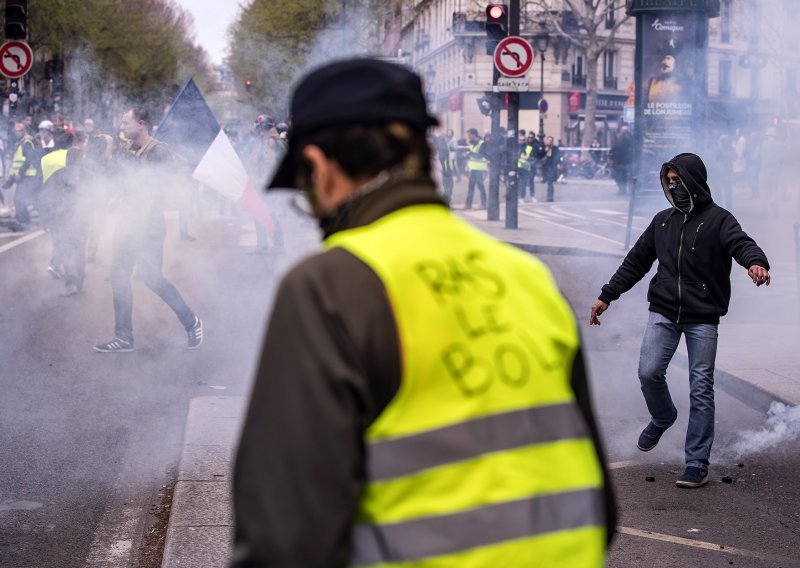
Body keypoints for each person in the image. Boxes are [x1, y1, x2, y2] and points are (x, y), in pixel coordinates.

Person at [232, 57, 616, 567]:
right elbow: (600, 507)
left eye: (304, 192)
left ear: (320, 167)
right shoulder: (528, 277)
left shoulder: (329, 287)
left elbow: (284, 541)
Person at [589, 152, 770, 488]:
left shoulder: (719, 220)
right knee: (648, 372)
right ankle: (663, 416)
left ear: (695, 182)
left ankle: (696, 463)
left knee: (701, 388)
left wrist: (755, 263)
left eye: (679, 181)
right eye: (669, 182)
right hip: (663, 311)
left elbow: (741, 244)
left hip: (703, 317)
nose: (674, 187)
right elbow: (635, 262)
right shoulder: (662, 222)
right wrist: (607, 295)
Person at [93, 106, 203, 353]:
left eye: (125, 123)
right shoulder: (128, 148)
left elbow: (162, 186)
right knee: (119, 278)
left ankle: (191, 321)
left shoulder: (158, 152)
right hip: (127, 224)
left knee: (152, 278)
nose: (121, 127)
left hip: (149, 226)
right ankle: (123, 338)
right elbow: (121, 179)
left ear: (141, 124)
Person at [4, 121, 39, 232]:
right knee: (20, 199)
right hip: (24, 176)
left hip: (27, 176)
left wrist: (20, 173)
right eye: (15, 131)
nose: (16, 133)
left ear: (24, 131)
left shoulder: (27, 142)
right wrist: (11, 179)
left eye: (18, 131)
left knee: (19, 199)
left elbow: (28, 159)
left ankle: (22, 223)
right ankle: (24, 222)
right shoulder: (21, 142)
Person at [464, 127, 488, 209]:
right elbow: (473, 156)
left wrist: (470, 153)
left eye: (470, 135)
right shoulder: (473, 143)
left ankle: (484, 204)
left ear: (474, 135)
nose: (468, 137)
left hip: (479, 169)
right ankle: (468, 204)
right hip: (473, 169)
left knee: (480, 186)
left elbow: (481, 155)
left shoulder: (482, 143)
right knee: (471, 186)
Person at [609, 125, 633, 195]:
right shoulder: (626, 138)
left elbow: (615, 147)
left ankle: (623, 190)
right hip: (621, 161)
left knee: (622, 176)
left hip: (623, 161)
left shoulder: (624, 139)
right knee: (621, 176)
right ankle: (623, 189)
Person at [517, 131, 539, 202]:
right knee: (519, 183)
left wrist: (530, 163)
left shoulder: (528, 148)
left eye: (523, 140)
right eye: (520, 140)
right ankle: (519, 196)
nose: (521, 141)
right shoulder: (516, 147)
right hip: (517, 168)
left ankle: (526, 196)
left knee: (526, 182)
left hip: (526, 168)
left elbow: (533, 157)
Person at [539, 135, 559, 202]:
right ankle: (548, 196)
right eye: (548, 140)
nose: (550, 141)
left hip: (551, 167)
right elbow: (540, 155)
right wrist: (545, 151)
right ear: (546, 141)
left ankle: (550, 197)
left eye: (551, 140)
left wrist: (556, 164)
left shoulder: (555, 148)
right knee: (546, 181)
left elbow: (557, 157)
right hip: (545, 167)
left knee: (550, 182)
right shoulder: (543, 147)